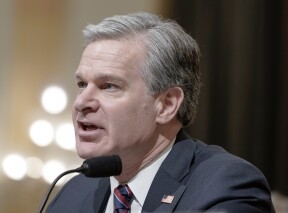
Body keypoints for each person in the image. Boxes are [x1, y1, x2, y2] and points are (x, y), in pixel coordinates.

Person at [46, 12, 274, 213]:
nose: (82, 102)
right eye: (82, 85)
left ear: (166, 105)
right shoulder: (73, 193)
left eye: (109, 86)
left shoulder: (226, 186)